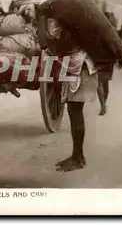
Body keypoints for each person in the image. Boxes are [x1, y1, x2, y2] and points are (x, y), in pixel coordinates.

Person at [40, 14, 98, 172]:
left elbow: (51, 44)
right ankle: (77, 156)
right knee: (74, 113)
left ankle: (78, 158)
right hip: (79, 67)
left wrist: (41, 22)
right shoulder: (75, 23)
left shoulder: (67, 30)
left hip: (79, 69)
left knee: (75, 112)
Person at [96, 12, 118, 116]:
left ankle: (104, 102)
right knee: (99, 83)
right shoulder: (97, 31)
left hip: (108, 60)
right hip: (99, 60)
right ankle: (103, 105)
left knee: (104, 83)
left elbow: (116, 46)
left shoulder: (111, 32)